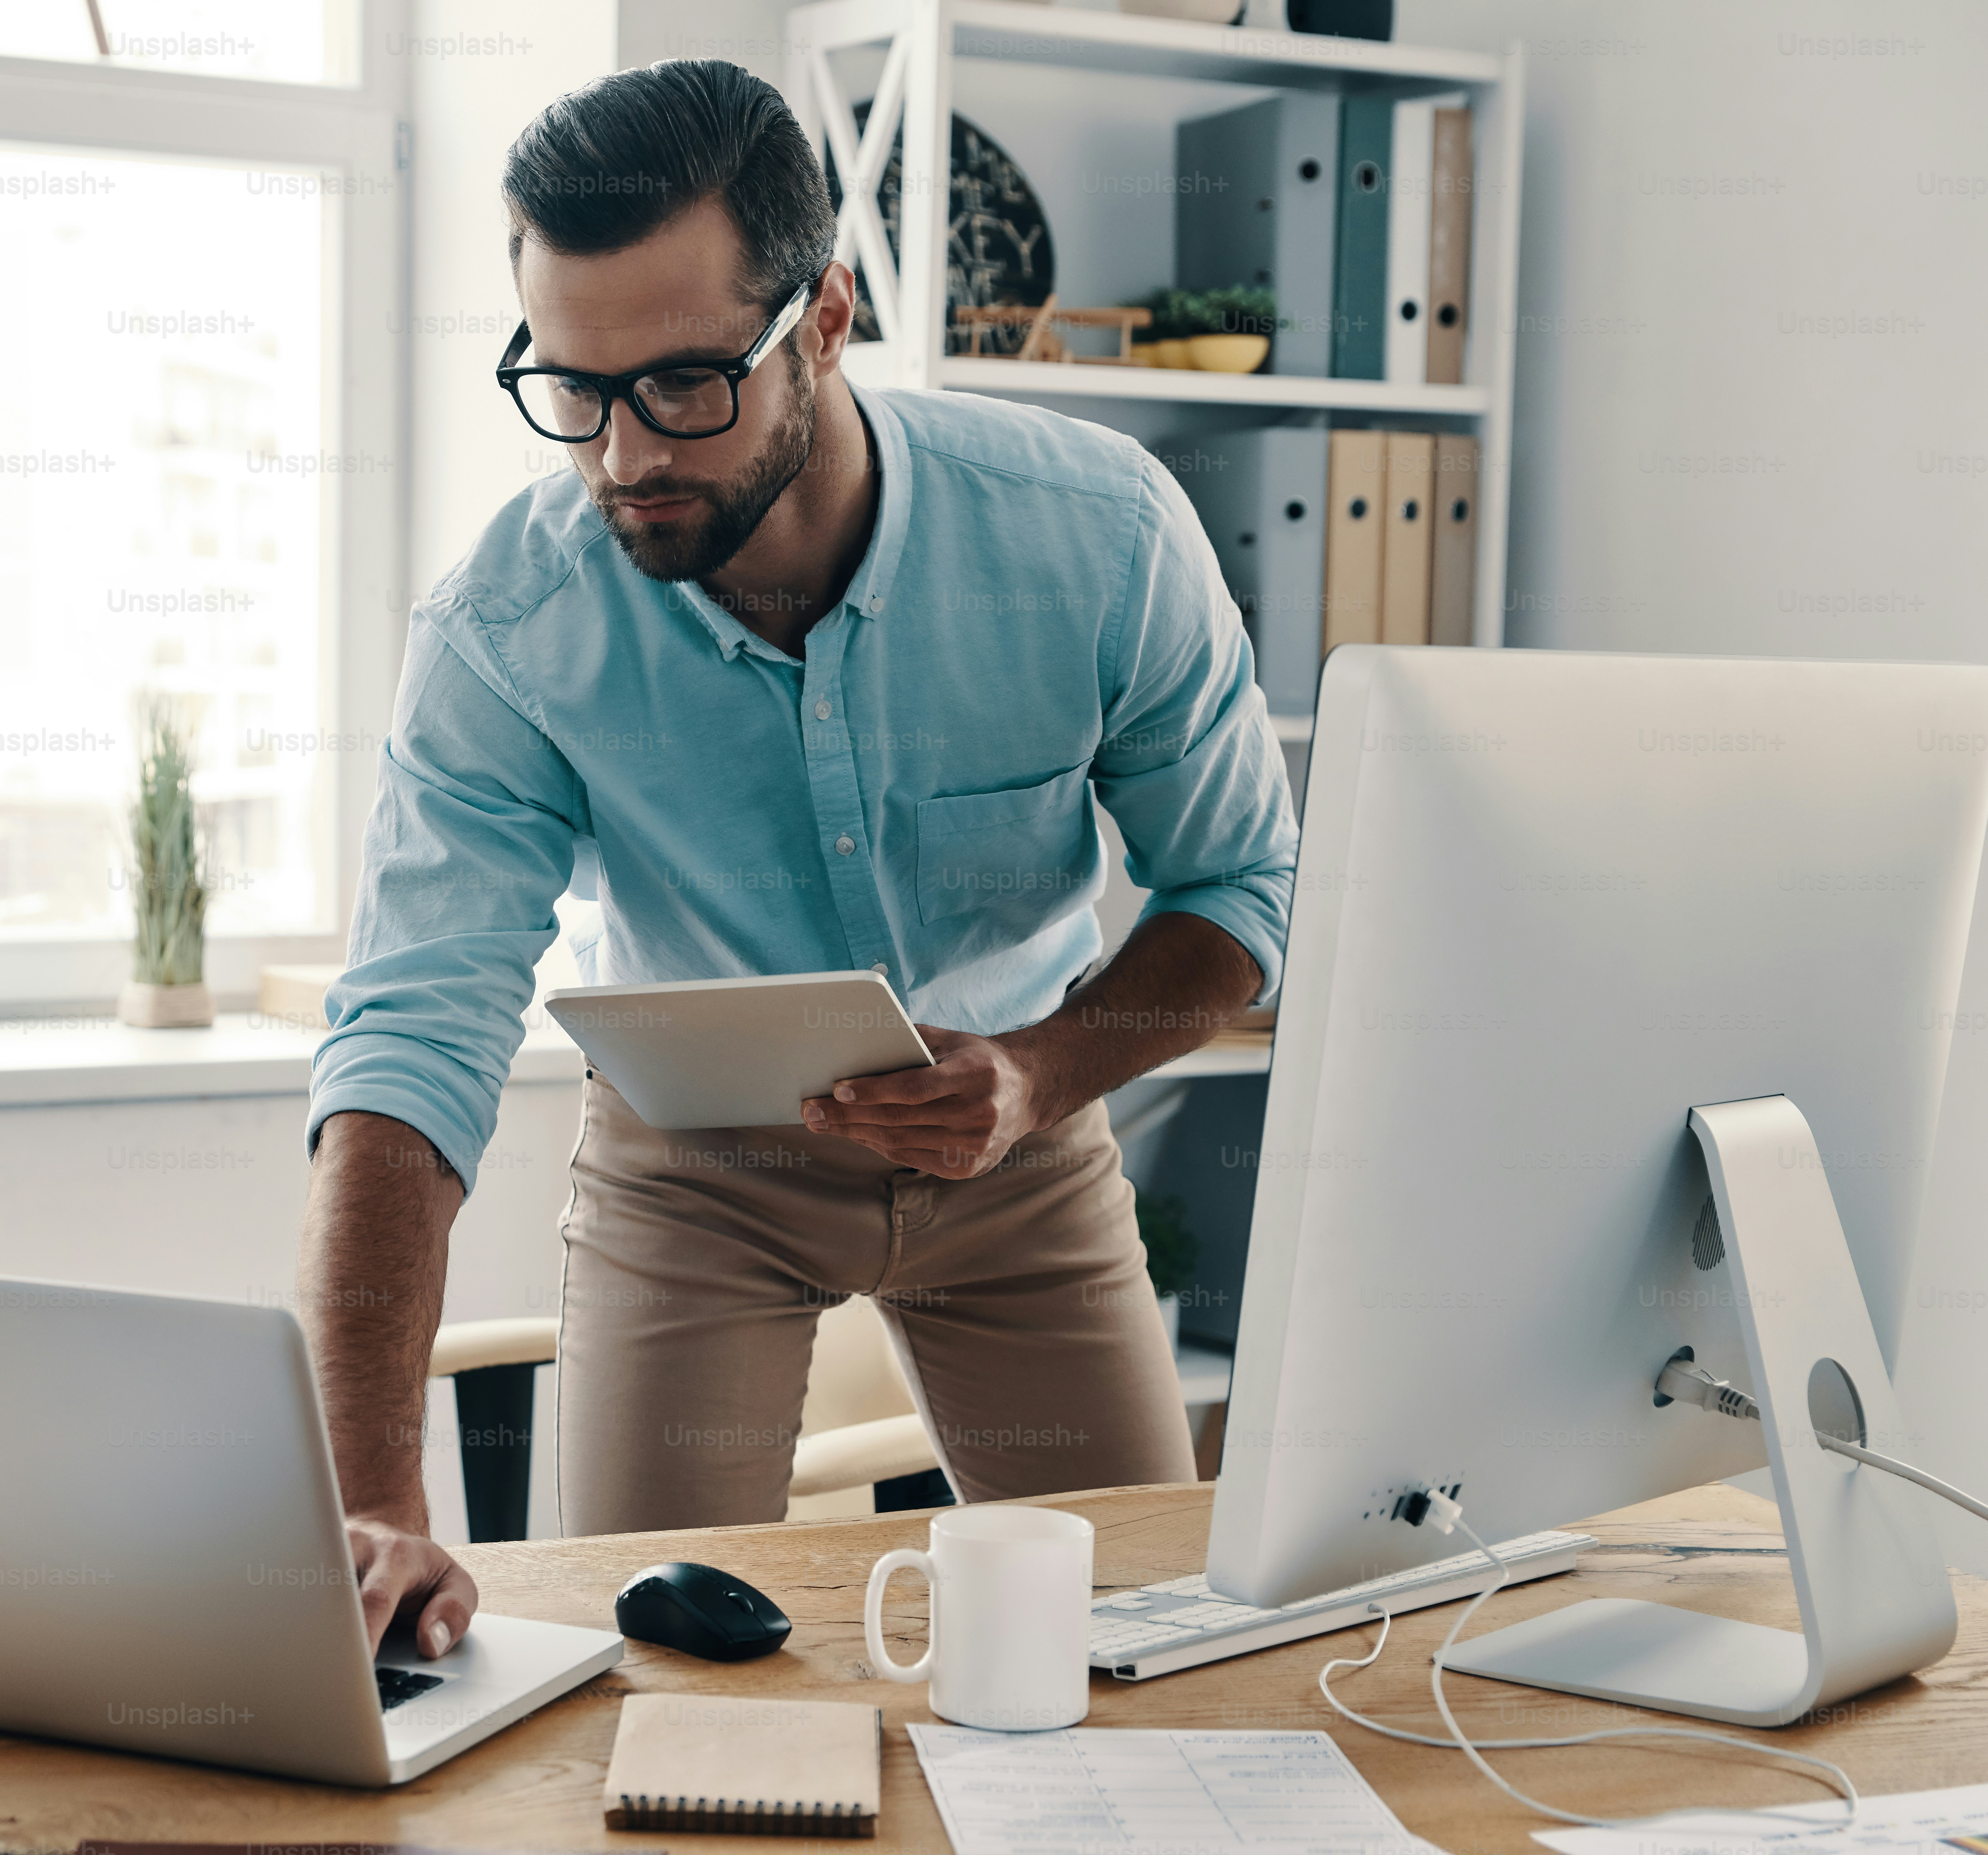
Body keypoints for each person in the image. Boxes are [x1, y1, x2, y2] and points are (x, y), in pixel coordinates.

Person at [296, 59, 1298, 1659]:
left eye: (684, 385)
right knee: (652, 1664)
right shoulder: (506, 628)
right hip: (695, 1175)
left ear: (823, 316)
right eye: (572, 388)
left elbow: (1242, 897)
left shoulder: (1097, 537)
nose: (622, 457)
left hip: (1019, 1144)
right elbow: (409, 1038)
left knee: (1132, 1646)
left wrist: (1037, 1076)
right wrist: (366, 1502)